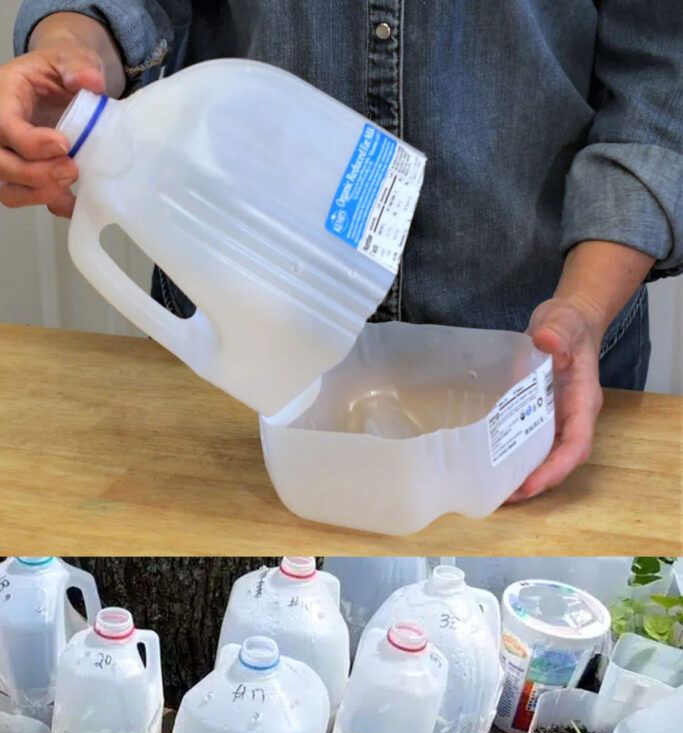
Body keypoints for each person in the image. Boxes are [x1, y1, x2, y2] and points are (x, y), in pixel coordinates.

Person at [1, 3, 681, 501]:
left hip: (532, 369)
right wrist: (71, 49)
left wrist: (584, 308)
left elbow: (662, 77)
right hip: (245, 369)